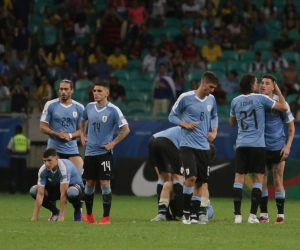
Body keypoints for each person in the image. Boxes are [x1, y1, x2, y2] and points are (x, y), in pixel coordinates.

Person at [229, 73, 288, 224]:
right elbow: (283, 107)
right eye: (256, 82)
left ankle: (237, 216)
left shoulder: (235, 101)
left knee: (239, 179)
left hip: (241, 144)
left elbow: (231, 122)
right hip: (257, 145)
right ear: (251, 85)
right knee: (258, 179)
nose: (258, 85)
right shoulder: (261, 99)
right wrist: (277, 89)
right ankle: (252, 216)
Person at [169, 71, 219, 224]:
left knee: (200, 182)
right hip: (187, 145)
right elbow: (171, 116)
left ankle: (195, 215)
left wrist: (214, 131)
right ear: (203, 83)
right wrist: (183, 124)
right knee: (191, 177)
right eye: (210, 87)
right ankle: (186, 214)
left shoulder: (212, 99)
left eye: (214, 88)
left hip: (204, 146)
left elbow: (215, 115)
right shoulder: (185, 97)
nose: (212, 90)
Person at [80, 81, 130, 225]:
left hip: (104, 153)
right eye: (94, 91)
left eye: (99, 91)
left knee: (104, 182)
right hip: (90, 152)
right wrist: (82, 134)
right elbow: (82, 120)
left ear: (107, 93)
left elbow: (126, 129)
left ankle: (106, 217)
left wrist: (112, 143)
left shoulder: (113, 110)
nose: (95, 93)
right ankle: (89, 215)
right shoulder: (89, 107)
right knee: (89, 183)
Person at [39, 79, 85, 220]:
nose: (63, 92)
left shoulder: (79, 107)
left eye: (66, 89)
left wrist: (70, 135)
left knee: (77, 183)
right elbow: (42, 127)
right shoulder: (51, 105)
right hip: (54, 150)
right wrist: (56, 134)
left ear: (72, 90)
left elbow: (81, 131)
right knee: (51, 183)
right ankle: (54, 211)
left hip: (71, 150)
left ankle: (79, 209)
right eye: (61, 89)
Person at [259, 74, 295, 224]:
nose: (263, 85)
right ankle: (264, 214)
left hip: (278, 147)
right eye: (262, 83)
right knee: (261, 182)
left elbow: (291, 128)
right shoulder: (258, 102)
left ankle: (280, 215)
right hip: (261, 147)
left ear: (274, 86)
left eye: (267, 83)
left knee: (278, 180)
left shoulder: (281, 103)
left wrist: (287, 146)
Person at [30, 148, 84, 222]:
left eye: (49, 160)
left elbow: (63, 193)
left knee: (71, 192)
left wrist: (61, 217)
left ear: (56, 159)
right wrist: (35, 216)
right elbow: (40, 194)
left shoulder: (64, 168)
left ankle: (78, 211)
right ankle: (55, 212)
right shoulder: (42, 170)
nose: (46, 164)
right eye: (44, 161)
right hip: (58, 186)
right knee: (34, 190)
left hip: (74, 187)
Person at [148, 126, 184, 221]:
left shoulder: (182, 128)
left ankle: (164, 213)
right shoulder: (195, 137)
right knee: (178, 178)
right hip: (167, 142)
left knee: (164, 180)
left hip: (153, 140)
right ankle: (180, 214)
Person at [7, 125, 30, 194]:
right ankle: (23, 190)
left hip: (14, 159)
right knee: (23, 175)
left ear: (16, 130)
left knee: (14, 175)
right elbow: (28, 151)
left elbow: (8, 149)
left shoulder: (13, 139)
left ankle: (13, 190)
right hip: (23, 160)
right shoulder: (26, 139)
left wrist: (14, 152)